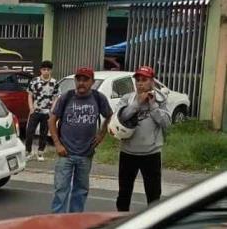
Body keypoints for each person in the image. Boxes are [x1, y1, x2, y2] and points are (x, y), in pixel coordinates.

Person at [49, 67, 113, 214]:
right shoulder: (66, 97)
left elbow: (109, 115)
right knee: (61, 190)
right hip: (65, 153)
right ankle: (57, 221)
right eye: (79, 79)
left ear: (92, 82)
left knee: (81, 190)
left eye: (86, 80)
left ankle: (74, 220)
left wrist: (101, 134)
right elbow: (51, 120)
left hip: (86, 154)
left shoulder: (98, 98)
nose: (81, 83)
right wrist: (57, 144)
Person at [115, 66, 171, 212]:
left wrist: (153, 107)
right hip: (128, 153)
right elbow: (121, 117)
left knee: (153, 195)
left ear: (152, 82)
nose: (140, 83)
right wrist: (136, 104)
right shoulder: (128, 98)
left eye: (144, 80)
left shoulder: (160, 100)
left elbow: (166, 124)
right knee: (124, 194)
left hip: (151, 154)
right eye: (138, 80)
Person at [26, 60, 59, 161]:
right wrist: (31, 108)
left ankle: (40, 153)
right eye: (44, 69)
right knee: (29, 131)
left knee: (43, 133)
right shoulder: (34, 81)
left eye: (48, 70)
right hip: (35, 111)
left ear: (51, 71)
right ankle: (28, 151)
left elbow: (56, 97)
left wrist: (52, 110)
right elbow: (30, 95)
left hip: (47, 112)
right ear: (40, 70)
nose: (46, 72)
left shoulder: (54, 82)